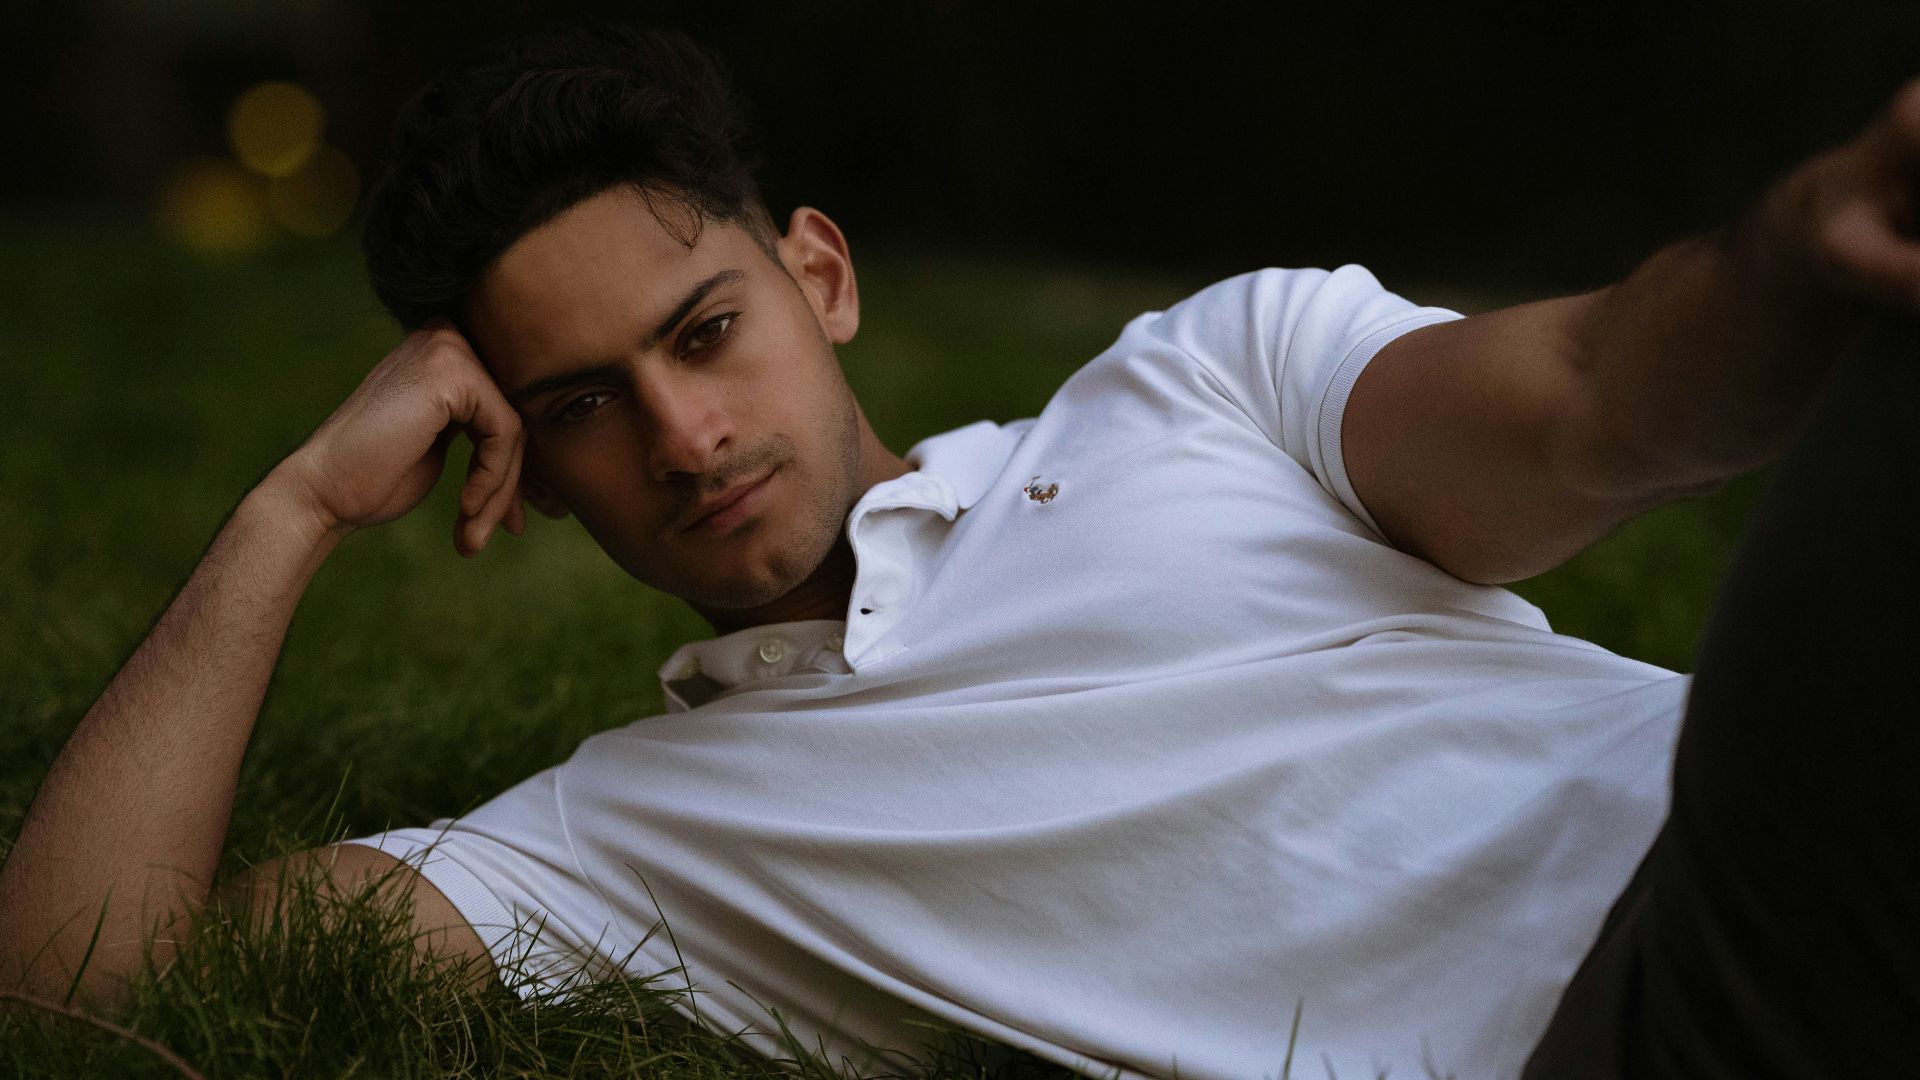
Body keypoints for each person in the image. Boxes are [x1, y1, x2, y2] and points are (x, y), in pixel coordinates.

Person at [1, 23, 1915, 1079]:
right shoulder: (621, 847)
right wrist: (293, 512)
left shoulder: (1206, 380)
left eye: (702, 333)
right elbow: (84, 990)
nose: (682, 439)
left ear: (816, 278)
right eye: (582, 404)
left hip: (1764, 813)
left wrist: (1812, 254)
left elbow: (1591, 392)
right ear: (520, 465)